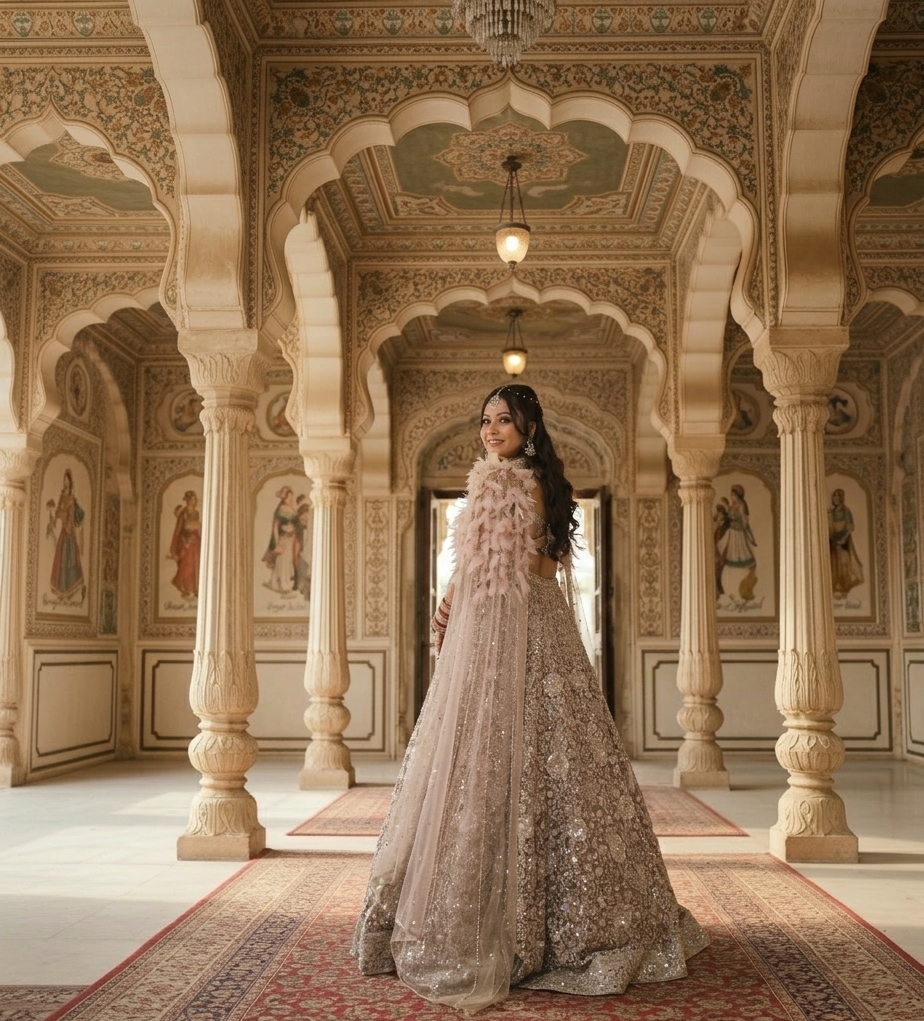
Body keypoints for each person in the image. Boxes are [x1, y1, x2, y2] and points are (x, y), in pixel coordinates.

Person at [352, 384, 708, 1013]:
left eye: (505, 421)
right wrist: (457, 602)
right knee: (554, 761)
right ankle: (575, 915)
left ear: (530, 428)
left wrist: (455, 607)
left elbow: (499, 567)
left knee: (500, 756)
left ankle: (505, 924)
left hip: (507, 628)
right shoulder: (540, 482)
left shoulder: (505, 481)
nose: (492, 431)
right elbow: (527, 563)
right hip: (536, 625)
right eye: (486, 420)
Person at [168, 490, 200, 599]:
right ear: (188, 500)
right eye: (193, 499)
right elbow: (179, 528)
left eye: (195, 499)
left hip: (195, 542)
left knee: (195, 565)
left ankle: (194, 589)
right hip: (186, 543)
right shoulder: (184, 513)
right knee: (187, 565)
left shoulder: (196, 513)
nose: (195, 501)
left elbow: (197, 527)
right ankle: (187, 588)